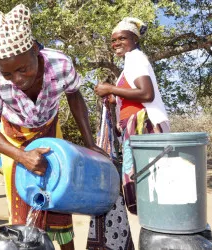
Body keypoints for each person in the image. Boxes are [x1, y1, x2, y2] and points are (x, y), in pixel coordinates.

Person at [0, 4, 106, 250]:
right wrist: (21, 156)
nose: (17, 79)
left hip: (50, 134)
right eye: (8, 74)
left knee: (60, 198)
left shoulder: (60, 64)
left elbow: (74, 97)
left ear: (36, 50)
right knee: (22, 208)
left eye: (23, 68)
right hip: (14, 140)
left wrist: (90, 143)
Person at [87, 17, 170, 250]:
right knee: (146, 188)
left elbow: (146, 93)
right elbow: (134, 94)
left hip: (145, 130)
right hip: (136, 131)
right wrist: (116, 98)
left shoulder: (136, 59)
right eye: (113, 40)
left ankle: (159, 237)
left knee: (149, 187)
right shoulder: (130, 62)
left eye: (122, 38)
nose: (116, 43)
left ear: (134, 39)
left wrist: (110, 88)